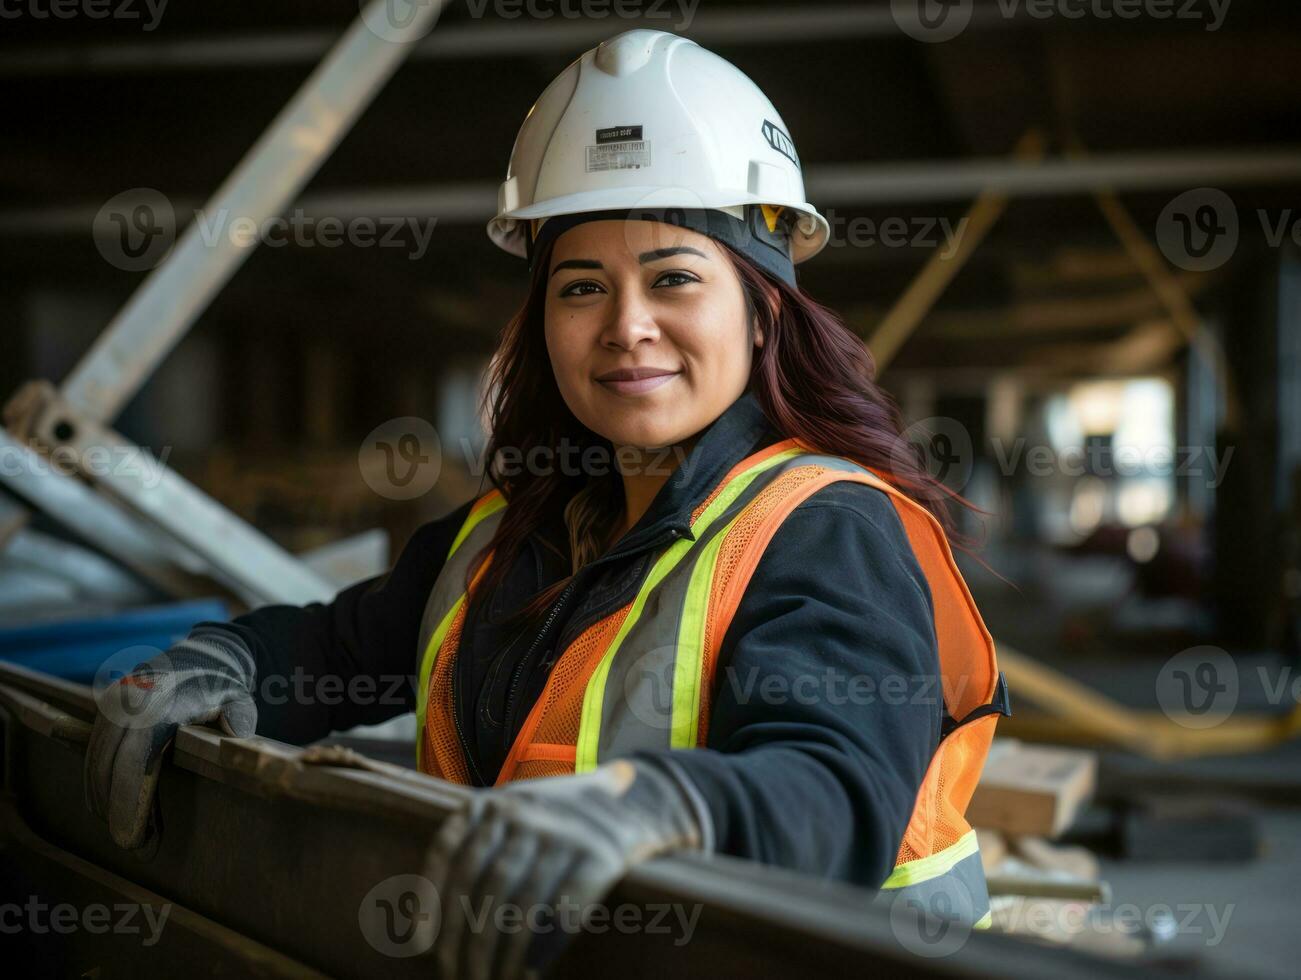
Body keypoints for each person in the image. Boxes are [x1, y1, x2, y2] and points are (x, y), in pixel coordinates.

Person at [84, 28, 1008, 979]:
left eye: (674, 278)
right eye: (580, 287)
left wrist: (661, 807)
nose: (626, 328)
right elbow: (341, 649)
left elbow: (836, 789)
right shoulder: (505, 532)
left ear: (763, 306)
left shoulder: (824, 527)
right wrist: (227, 661)